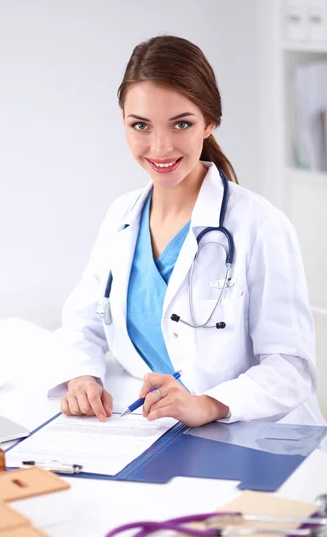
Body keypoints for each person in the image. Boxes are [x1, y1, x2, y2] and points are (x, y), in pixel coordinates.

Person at [47, 35, 326, 429]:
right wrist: (81, 377)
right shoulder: (121, 217)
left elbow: (291, 368)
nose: (160, 147)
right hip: (159, 432)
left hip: (259, 436)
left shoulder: (260, 226)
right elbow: (83, 322)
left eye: (181, 124)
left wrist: (210, 404)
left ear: (209, 123)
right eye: (140, 125)